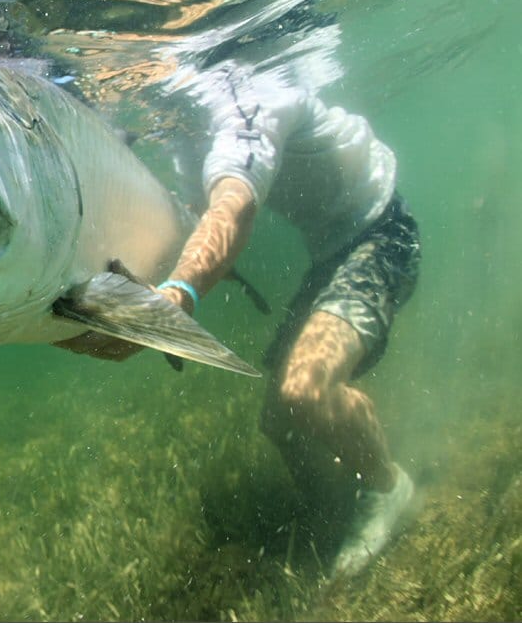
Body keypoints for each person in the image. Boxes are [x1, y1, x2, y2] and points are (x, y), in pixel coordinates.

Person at [153, 63, 421, 578]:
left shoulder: (244, 98)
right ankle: (332, 506)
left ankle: (388, 487)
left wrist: (181, 289)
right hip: (332, 254)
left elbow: (231, 212)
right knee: (278, 419)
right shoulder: (183, 125)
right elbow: (197, 214)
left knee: (305, 389)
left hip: (382, 234)